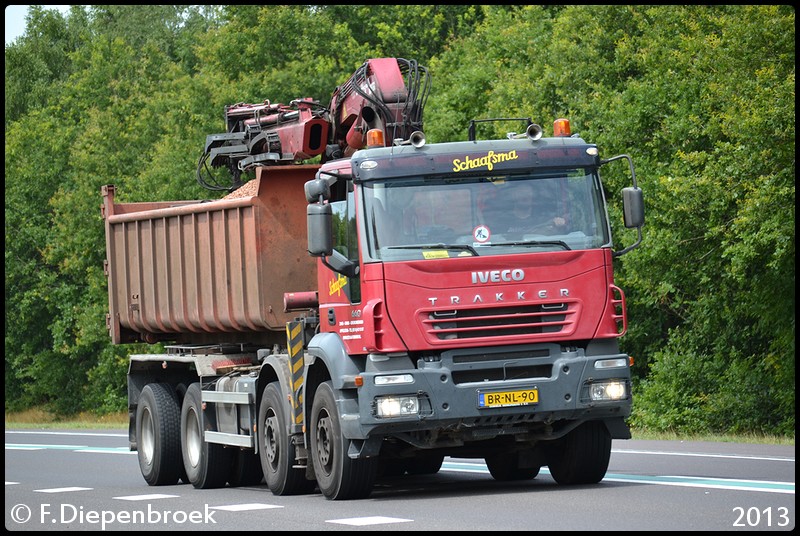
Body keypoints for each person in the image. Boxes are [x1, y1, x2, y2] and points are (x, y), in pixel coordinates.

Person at [499, 182, 566, 235]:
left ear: (533, 197)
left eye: (529, 193)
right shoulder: (502, 220)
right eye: (522, 192)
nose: (525, 196)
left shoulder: (545, 219)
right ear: (513, 196)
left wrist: (560, 225)